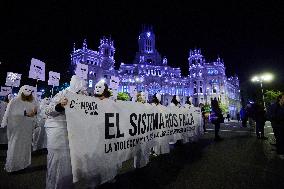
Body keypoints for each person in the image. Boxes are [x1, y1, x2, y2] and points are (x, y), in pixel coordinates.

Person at [45, 75, 86, 189]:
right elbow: (48, 110)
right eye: (81, 88)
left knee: (69, 165)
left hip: (73, 137)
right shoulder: (62, 94)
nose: (83, 91)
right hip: (58, 135)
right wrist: (60, 106)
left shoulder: (84, 98)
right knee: (56, 163)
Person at [1, 85, 38, 172]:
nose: (28, 91)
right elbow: (8, 112)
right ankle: (12, 166)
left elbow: (36, 111)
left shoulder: (33, 101)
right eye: (26, 89)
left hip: (27, 127)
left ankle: (23, 164)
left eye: (30, 90)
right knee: (15, 145)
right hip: (16, 128)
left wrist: (34, 113)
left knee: (25, 145)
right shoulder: (14, 100)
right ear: (21, 90)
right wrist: (4, 123)